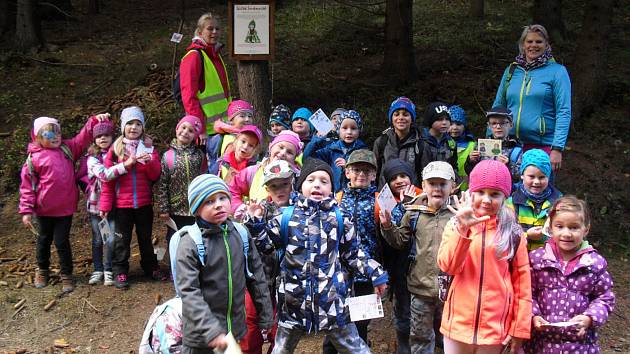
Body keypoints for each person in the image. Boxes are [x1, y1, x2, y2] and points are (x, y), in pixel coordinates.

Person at [255, 158, 389, 354]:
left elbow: (353, 253)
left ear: (332, 189)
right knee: (281, 349)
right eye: (311, 180)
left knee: (355, 348)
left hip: (332, 303)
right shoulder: (286, 218)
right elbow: (265, 245)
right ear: (300, 187)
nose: (317, 184)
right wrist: (255, 223)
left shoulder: (340, 218)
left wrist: (376, 273)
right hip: (294, 303)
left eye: (324, 181)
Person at [438, 160, 532, 354]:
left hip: (495, 326)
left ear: (504, 197)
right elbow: (448, 266)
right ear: (471, 193)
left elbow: (522, 284)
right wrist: (463, 230)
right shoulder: (455, 225)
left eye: (495, 194)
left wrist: (519, 328)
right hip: (457, 323)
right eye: (481, 192)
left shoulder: (513, 233)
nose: (487, 200)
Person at [175, 174, 273, 353]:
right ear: (196, 209)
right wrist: (211, 331)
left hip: (234, 331)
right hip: (201, 337)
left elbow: (256, 276)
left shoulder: (241, 234)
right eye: (209, 202)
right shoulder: (190, 243)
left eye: (222, 198)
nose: (218, 204)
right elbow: (189, 292)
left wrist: (265, 313)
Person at [19, 114, 103, 292]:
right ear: (38, 137)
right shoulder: (33, 159)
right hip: (44, 210)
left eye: (58, 133)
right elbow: (27, 187)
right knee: (44, 240)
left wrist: (94, 121)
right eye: (50, 135)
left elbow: (83, 138)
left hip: (65, 209)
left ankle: (67, 274)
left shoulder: (67, 149)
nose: (56, 137)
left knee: (61, 241)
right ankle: (42, 270)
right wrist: (26, 210)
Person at [380, 161, 456, 354]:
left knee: (452, 336)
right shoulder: (413, 214)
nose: (437, 188)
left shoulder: (459, 215)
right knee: (421, 337)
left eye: (442, 184)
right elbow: (399, 241)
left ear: (452, 186)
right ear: (423, 185)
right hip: (420, 288)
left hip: (453, 291)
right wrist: (388, 226)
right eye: (432, 184)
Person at [524, 196, 615, 354]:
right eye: (560, 226)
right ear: (551, 228)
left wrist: (590, 318)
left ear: (585, 229)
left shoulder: (594, 263)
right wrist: (533, 315)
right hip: (541, 343)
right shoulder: (537, 260)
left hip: (579, 345)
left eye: (573, 227)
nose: (566, 233)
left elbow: (605, 297)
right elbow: (526, 293)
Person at [322, 150, 379, 354]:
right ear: (347, 172)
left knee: (361, 324)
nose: (361, 174)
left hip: (366, 273)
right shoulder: (335, 199)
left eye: (366, 170)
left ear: (374, 175)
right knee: (334, 322)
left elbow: (395, 236)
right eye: (356, 169)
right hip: (338, 274)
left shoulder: (379, 200)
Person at [493, 24, 571, 173]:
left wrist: (557, 148)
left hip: (542, 146)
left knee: (537, 191)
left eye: (539, 42)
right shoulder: (511, 70)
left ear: (546, 45)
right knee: (506, 192)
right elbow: (498, 107)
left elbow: (564, 111)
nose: (533, 45)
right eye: (529, 41)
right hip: (509, 145)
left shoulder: (558, 72)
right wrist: (490, 140)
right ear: (523, 44)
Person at [99, 106, 162, 289]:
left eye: (137, 124)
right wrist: (105, 205)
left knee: (145, 237)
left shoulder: (148, 147)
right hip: (122, 205)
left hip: (143, 203)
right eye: (129, 124)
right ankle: (120, 271)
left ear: (143, 128)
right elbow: (108, 180)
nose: (133, 127)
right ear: (123, 126)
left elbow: (155, 176)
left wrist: (150, 162)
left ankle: (151, 267)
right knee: (122, 239)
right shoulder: (115, 149)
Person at [241, 160, 296, 354]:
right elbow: (248, 243)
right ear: (267, 188)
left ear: (293, 182)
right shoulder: (260, 210)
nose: (279, 190)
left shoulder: (302, 209)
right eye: (273, 186)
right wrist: (251, 220)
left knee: (281, 328)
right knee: (250, 321)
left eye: (284, 184)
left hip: (288, 281)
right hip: (260, 277)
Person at [375, 158, 422, 354]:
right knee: (402, 306)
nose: (399, 181)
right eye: (393, 178)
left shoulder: (423, 196)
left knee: (420, 307)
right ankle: (403, 342)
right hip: (396, 262)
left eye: (403, 175)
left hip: (418, 263)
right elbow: (391, 229)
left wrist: (410, 204)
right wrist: (402, 206)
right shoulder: (384, 200)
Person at [85, 119, 130, 286]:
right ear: (94, 139)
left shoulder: (118, 154)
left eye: (106, 135)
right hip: (97, 206)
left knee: (110, 239)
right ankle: (97, 269)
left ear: (113, 137)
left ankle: (108, 268)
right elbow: (104, 175)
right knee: (98, 239)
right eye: (99, 136)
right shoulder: (92, 159)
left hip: (115, 204)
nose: (103, 138)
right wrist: (124, 166)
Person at [180, 12, 231, 141]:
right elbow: (189, 96)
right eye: (210, 28)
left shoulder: (215, 54)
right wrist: (199, 128)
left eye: (217, 29)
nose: (214, 32)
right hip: (205, 132)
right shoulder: (194, 57)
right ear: (200, 32)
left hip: (223, 127)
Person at [157, 115, 207, 244]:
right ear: (177, 128)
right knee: (175, 239)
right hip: (175, 208)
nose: (185, 132)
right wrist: (164, 208)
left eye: (191, 131)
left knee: (196, 238)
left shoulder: (199, 155)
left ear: (195, 136)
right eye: (183, 127)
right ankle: (175, 263)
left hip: (195, 207)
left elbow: (204, 178)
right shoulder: (168, 156)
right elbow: (162, 184)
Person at [228, 130, 302, 214]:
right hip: (256, 223)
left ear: (294, 158)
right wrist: (241, 208)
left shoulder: (299, 178)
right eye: (280, 147)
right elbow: (230, 190)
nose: (282, 153)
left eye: (289, 152)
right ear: (271, 147)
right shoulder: (252, 172)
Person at [507, 149, 562, 251]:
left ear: (548, 177)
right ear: (522, 175)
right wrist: (527, 235)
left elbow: (564, 229)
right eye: (531, 177)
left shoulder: (558, 202)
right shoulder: (512, 202)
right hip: (521, 258)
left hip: (550, 259)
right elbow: (506, 232)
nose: (536, 182)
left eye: (542, 177)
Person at [312, 110, 368, 192]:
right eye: (344, 128)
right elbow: (308, 157)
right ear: (338, 130)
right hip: (333, 196)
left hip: (354, 197)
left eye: (353, 128)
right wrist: (317, 139)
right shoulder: (331, 149)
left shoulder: (363, 151)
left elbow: (367, 175)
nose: (349, 132)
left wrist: (349, 167)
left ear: (359, 130)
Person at [466, 107, 523, 186]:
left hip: (506, 192)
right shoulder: (480, 145)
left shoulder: (516, 149)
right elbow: (470, 172)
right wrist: (470, 161)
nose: (498, 127)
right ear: (488, 126)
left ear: (511, 125)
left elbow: (520, 177)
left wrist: (509, 164)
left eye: (503, 123)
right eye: (494, 123)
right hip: (483, 188)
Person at [373, 96, 422, 189]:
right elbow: (374, 171)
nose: (401, 118)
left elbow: (424, 174)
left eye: (405, 114)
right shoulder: (381, 142)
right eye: (396, 114)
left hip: (411, 195)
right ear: (391, 118)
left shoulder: (420, 144)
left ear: (412, 118)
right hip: (385, 196)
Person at [206, 99, 255, 166]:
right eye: (242, 116)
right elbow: (230, 166)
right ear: (231, 120)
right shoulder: (232, 140)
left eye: (250, 116)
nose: (247, 119)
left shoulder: (239, 135)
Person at [419, 102, 458, 174]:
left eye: (447, 119)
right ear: (431, 121)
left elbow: (454, 166)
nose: (444, 122)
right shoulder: (420, 141)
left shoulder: (451, 143)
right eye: (440, 119)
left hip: (445, 182)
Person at [447, 105, 475, 191]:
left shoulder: (472, 145)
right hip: (446, 189)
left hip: (467, 190)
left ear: (464, 126)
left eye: (458, 124)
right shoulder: (442, 144)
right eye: (451, 124)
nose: (455, 127)